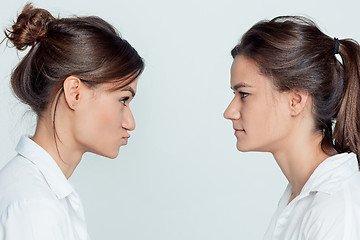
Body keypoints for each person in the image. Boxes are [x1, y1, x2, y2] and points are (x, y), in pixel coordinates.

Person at [0, 3, 144, 240]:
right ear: (74, 93)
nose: (130, 122)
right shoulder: (35, 208)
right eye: (123, 100)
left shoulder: (44, 193)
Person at [224, 16, 360, 239]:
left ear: (295, 101)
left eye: (244, 94)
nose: (229, 112)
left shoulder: (336, 209)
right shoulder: (298, 195)